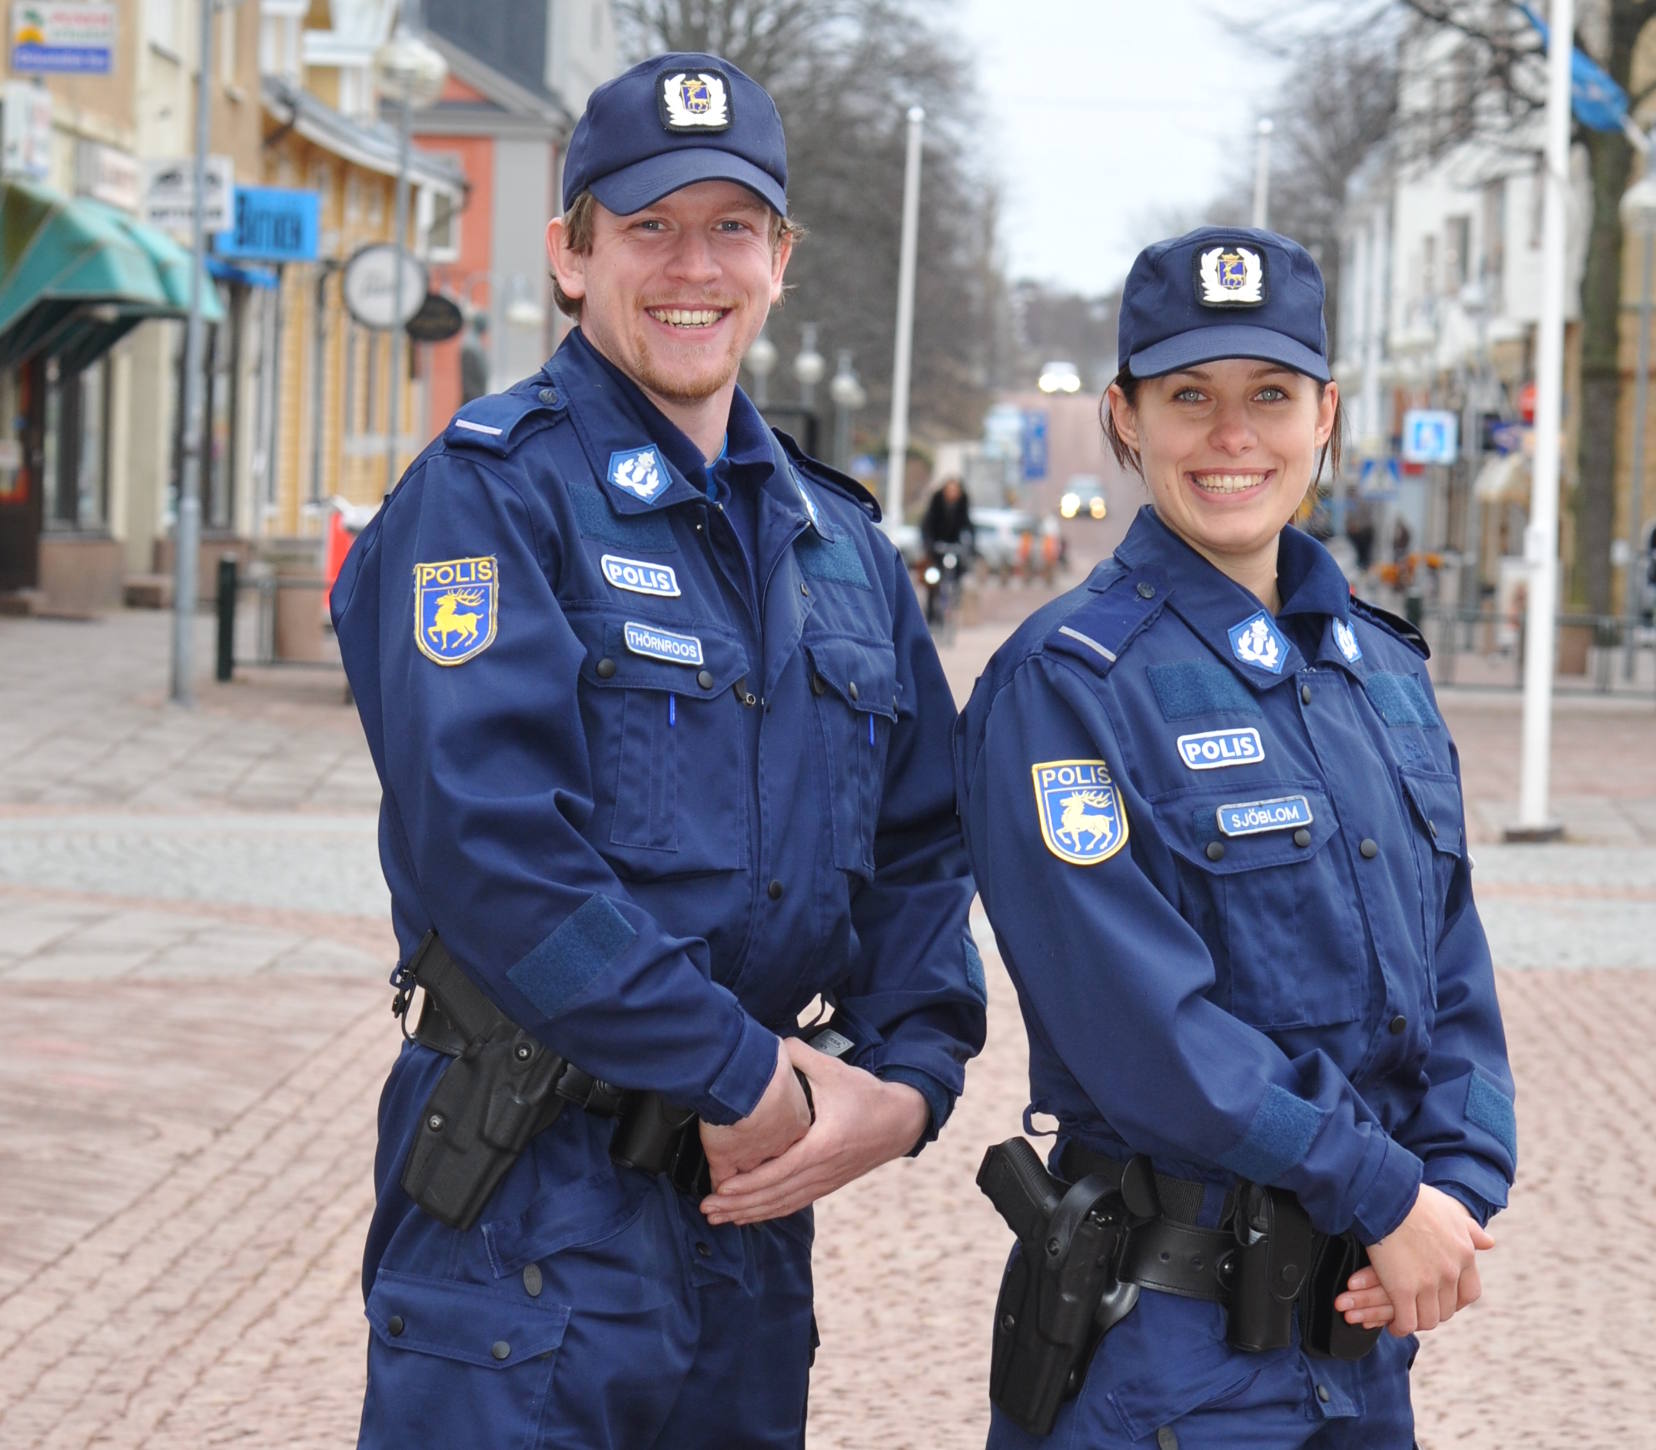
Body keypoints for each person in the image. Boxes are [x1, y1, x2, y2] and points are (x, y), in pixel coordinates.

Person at [331, 53, 985, 1449]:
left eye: (730, 227)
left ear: (781, 259)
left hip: (741, 1226)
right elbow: (496, 855)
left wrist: (912, 1075)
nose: (694, 267)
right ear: (571, 256)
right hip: (523, 1212)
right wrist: (746, 1074)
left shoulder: (843, 549)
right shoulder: (490, 500)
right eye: (647, 227)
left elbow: (925, 842)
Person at [957, 227, 1515, 1447]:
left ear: (1325, 413)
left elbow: (1453, 966)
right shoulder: (1066, 684)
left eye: (1267, 395)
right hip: (1164, 1350)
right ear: (1124, 416)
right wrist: (1381, 1188)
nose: (1230, 437)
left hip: (1358, 1340)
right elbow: (1143, 1033)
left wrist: (1457, 1188)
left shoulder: (1381, 674)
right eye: (1187, 398)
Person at [919, 473, 975, 622]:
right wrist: (929, 545)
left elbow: (968, 526)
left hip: (954, 548)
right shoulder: (936, 504)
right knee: (932, 579)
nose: (952, 493)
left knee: (959, 572)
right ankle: (931, 614)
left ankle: (954, 599)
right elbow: (926, 526)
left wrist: (969, 546)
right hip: (936, 548)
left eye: (955, 490)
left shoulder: (963, 505)